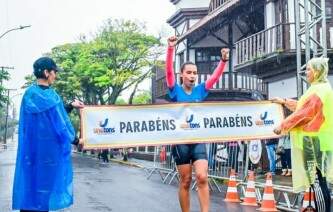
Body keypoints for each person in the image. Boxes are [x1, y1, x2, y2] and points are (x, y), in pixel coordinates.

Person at [166, 36, 229, 212]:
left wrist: (223, 61)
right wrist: (171, 48)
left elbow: (214, 78)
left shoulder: (201, 90)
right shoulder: (175, 90)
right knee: (185, 181)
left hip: (198, 140)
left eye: (195, 73)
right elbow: (169, 72)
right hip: (180, 142)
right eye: (189, 72)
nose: (193, 76)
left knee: (202, 177)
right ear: (182, 75)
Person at [12, 57, 84, 212]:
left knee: (30, 188)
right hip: (49, 156)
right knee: (45, 191)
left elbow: (50, 114)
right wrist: (77, 140)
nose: (55, 75)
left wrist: (70, 105)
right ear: (46, 72)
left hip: (31, 153)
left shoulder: (28, 95)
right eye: (54, 72)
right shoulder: (52, 97)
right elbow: (60, 124)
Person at [273, 57, 332, 212]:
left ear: (318, 71)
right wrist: (285, 101)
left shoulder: (319, 90)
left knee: (318, 182)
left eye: (309, 69)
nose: (306, 73)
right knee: (318, 181)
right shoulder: (319, 88)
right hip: (316, 141)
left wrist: (283, 125)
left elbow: (304, 114)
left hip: (314, 143)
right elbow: (302, 107)